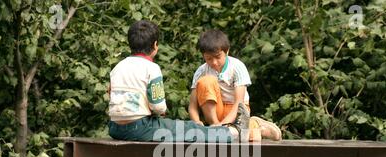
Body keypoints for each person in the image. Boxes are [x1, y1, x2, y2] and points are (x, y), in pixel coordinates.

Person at [108, 20, 250, 143]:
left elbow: (110, 92)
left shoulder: (117, 67)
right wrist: (160, 112)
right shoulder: (152, 68)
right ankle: (231, 133)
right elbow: (158, 106)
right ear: (155, 45)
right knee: (186, 129)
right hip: (139, 128)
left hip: (114, 128)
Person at [188, 29, 281, 141]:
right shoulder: (201, 71)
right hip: (217, 110)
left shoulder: (237, 67)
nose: (214, 62)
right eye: (208, 58)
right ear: (203, 56)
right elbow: (193, 105)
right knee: (205, 81)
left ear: (227, 51)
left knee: (250, 137)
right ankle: (218, 128)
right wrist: (197, 122)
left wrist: (224, 125)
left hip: (237, 110)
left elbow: (239, 102)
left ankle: (256, 125)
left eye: (218, 57)